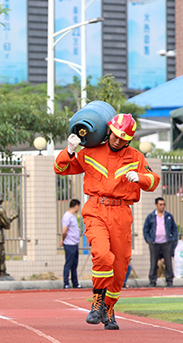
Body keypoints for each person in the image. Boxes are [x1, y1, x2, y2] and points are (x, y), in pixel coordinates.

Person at [54, 113, 160, 330]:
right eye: (115, 135)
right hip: (95, 209)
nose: (117, 140)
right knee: (102, 255)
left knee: (120, 267)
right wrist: (70, 151)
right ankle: (97, 302)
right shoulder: (90, 152)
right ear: (108, 131)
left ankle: (109, 307)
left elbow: (153, 181)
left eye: (123, 138)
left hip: (121, 213)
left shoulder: (136, 157)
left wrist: (138, 177)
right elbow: (61, 168)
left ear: (129, 140)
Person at [143, 197, 178, 286]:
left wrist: (173, 239)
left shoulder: (168, 216)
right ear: (156, 205)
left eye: (164, 204)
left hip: (167, 243)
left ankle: (169, 281)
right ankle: (152, 281)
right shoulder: (151, 216)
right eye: (160, 204)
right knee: (154, 263)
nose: (162, 206)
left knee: (168, 263)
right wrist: (148, 240)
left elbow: (174, 229)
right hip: (154, 243)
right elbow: (145, 229)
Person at [60, 199, 82, 289]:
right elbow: (64, 231)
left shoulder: (73, 216)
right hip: (69, 243)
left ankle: (75, 282)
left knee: (74, 264)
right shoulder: (67, 216)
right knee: (69, 263)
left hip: (75, 243)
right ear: (76, 206)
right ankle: (66, 282)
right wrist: (63, 240)